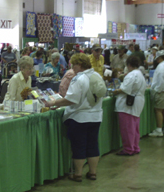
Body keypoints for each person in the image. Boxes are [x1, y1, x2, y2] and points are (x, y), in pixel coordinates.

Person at [45, 53, 103, 182]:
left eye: (73, 65)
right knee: (93, 145)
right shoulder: (97, 76)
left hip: (80, 118)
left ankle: (78, 173)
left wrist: (53, 102)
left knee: (79, 146)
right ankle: (93, 172)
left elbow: (71, 99)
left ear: (79, 65)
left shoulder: (79, 79)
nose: (72, 68)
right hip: (96, 116)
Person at [113, 56, 146, 156]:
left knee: (127, 128)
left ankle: (128, 149)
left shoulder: (131, 75)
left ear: (129, 65)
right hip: (137, 103)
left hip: (128, 105)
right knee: (134, 128)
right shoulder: (139, 74)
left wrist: (115, 91)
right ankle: (135, 147)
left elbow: (125, 89)